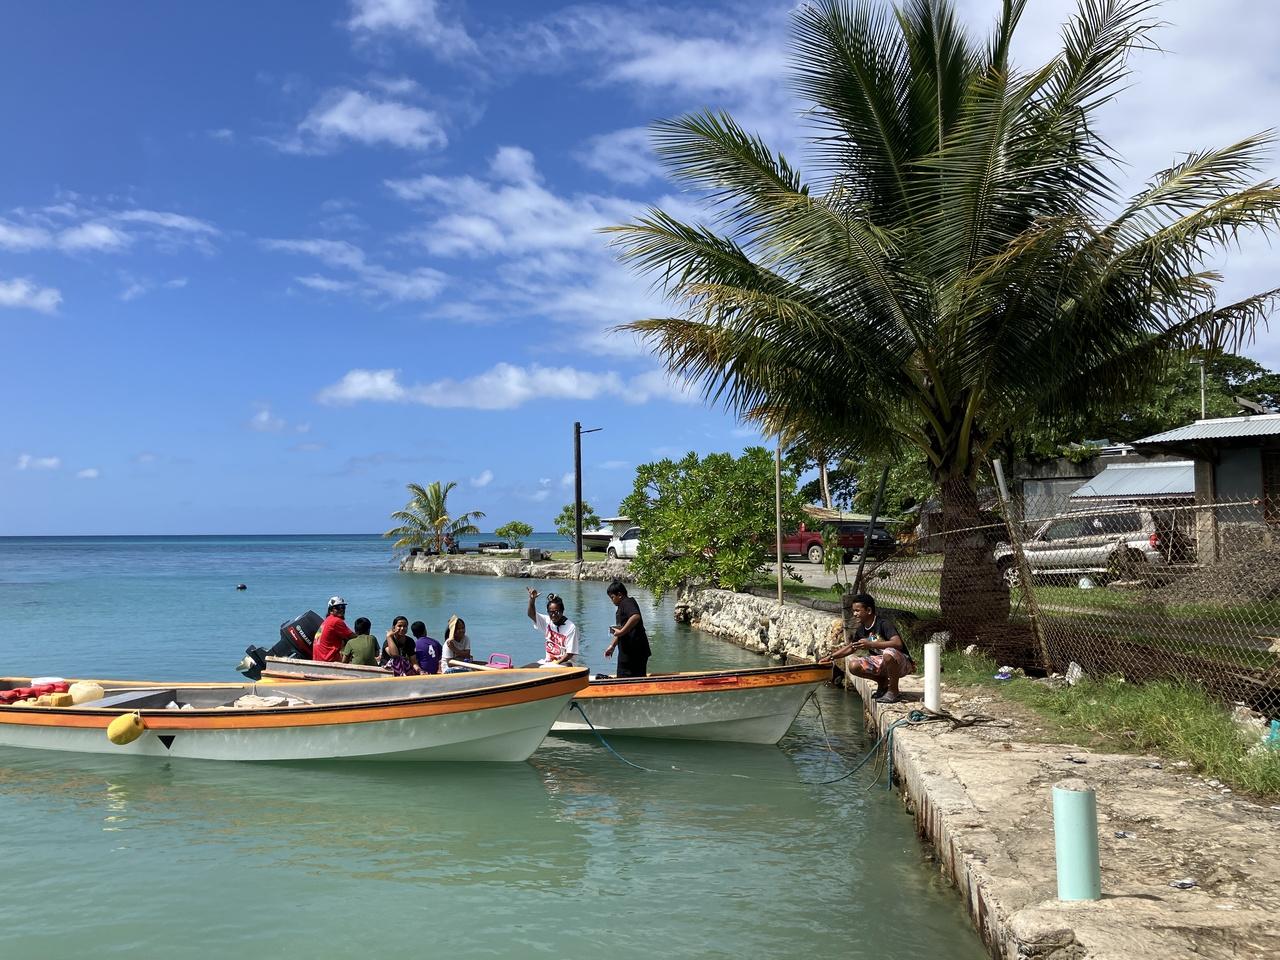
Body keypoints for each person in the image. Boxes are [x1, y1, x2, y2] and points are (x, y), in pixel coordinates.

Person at [821, 593, 914, 703]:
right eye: (853, 611)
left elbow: (897, 643)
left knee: (888, 654)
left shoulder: (883, 624)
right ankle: (882, 682)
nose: (854, 614)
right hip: (882, 663)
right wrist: (830, 657)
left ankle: (893, 692)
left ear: (868, 610)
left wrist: (870, 644)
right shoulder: (861, 630)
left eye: (857, 611)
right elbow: (851, 647)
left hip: (901, 664)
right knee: (853, 666)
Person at [604, 581, 650, 678]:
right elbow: (621, 630)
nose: (612, 601)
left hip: (635, 652)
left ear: (620, 595)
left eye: (612, 597)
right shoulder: (621, 607)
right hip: (628, 653)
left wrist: (621, 632)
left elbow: (635, 616)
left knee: (627, 679)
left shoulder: (627, 602)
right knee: (626, 677)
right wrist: (612, 646)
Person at [526, 587, 579, 667]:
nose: (553, 615)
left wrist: (555, 663)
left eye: (556, 612)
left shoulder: (571, 627)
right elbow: (531, 614)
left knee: (567, 664)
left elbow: (570, 654)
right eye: (551, 612)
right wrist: (532, 600)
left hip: (564, 663)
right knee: (526, 668)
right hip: (548, 663)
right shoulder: (547, 621)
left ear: (562, 611)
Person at [313, 596, 355, 663]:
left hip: (318, 659)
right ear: (330, 610)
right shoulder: (336, 621)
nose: (341, 610)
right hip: (327, 660)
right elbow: (353, 637)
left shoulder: (327, 620)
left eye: (343, 607)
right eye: (338, 608)